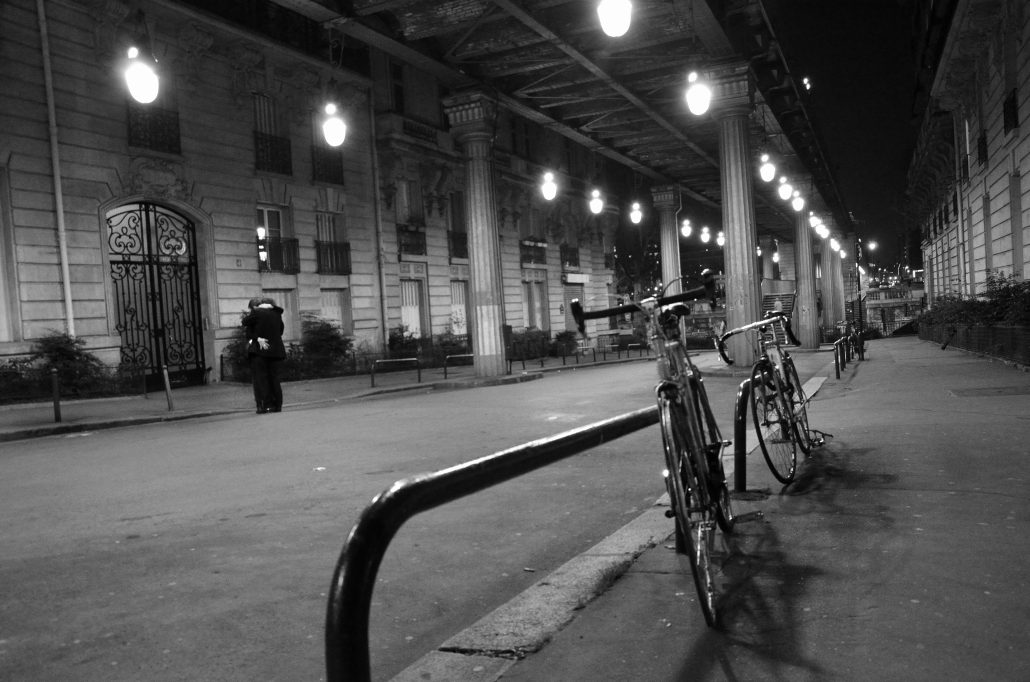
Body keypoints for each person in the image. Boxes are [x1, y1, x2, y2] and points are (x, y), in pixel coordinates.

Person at [242, 296, 286, 414]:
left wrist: (258, 337)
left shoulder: (257, 313)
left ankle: (265, 405)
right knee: (275, 379)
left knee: (260, 379)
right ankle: (277, 405)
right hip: (276, 351)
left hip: (259, 351)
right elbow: (281, 331)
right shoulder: (277, 314)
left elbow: (245, 323)